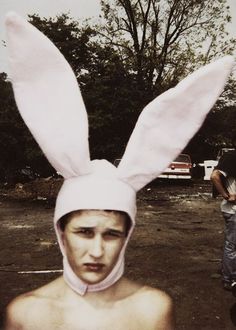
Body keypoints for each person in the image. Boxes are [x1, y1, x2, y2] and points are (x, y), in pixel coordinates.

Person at [3, 11, 233, 330]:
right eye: (84, 231)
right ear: (60, 232)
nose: (96, 251)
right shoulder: (27, 315)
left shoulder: (152, 311)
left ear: (127, 236)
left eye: (111, 234)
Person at [211, 148, 236, 292]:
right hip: (233, 211)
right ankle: (230, 279)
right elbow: (215, 176)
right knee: (232, 246)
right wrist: (227, 196)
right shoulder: (232, 157)